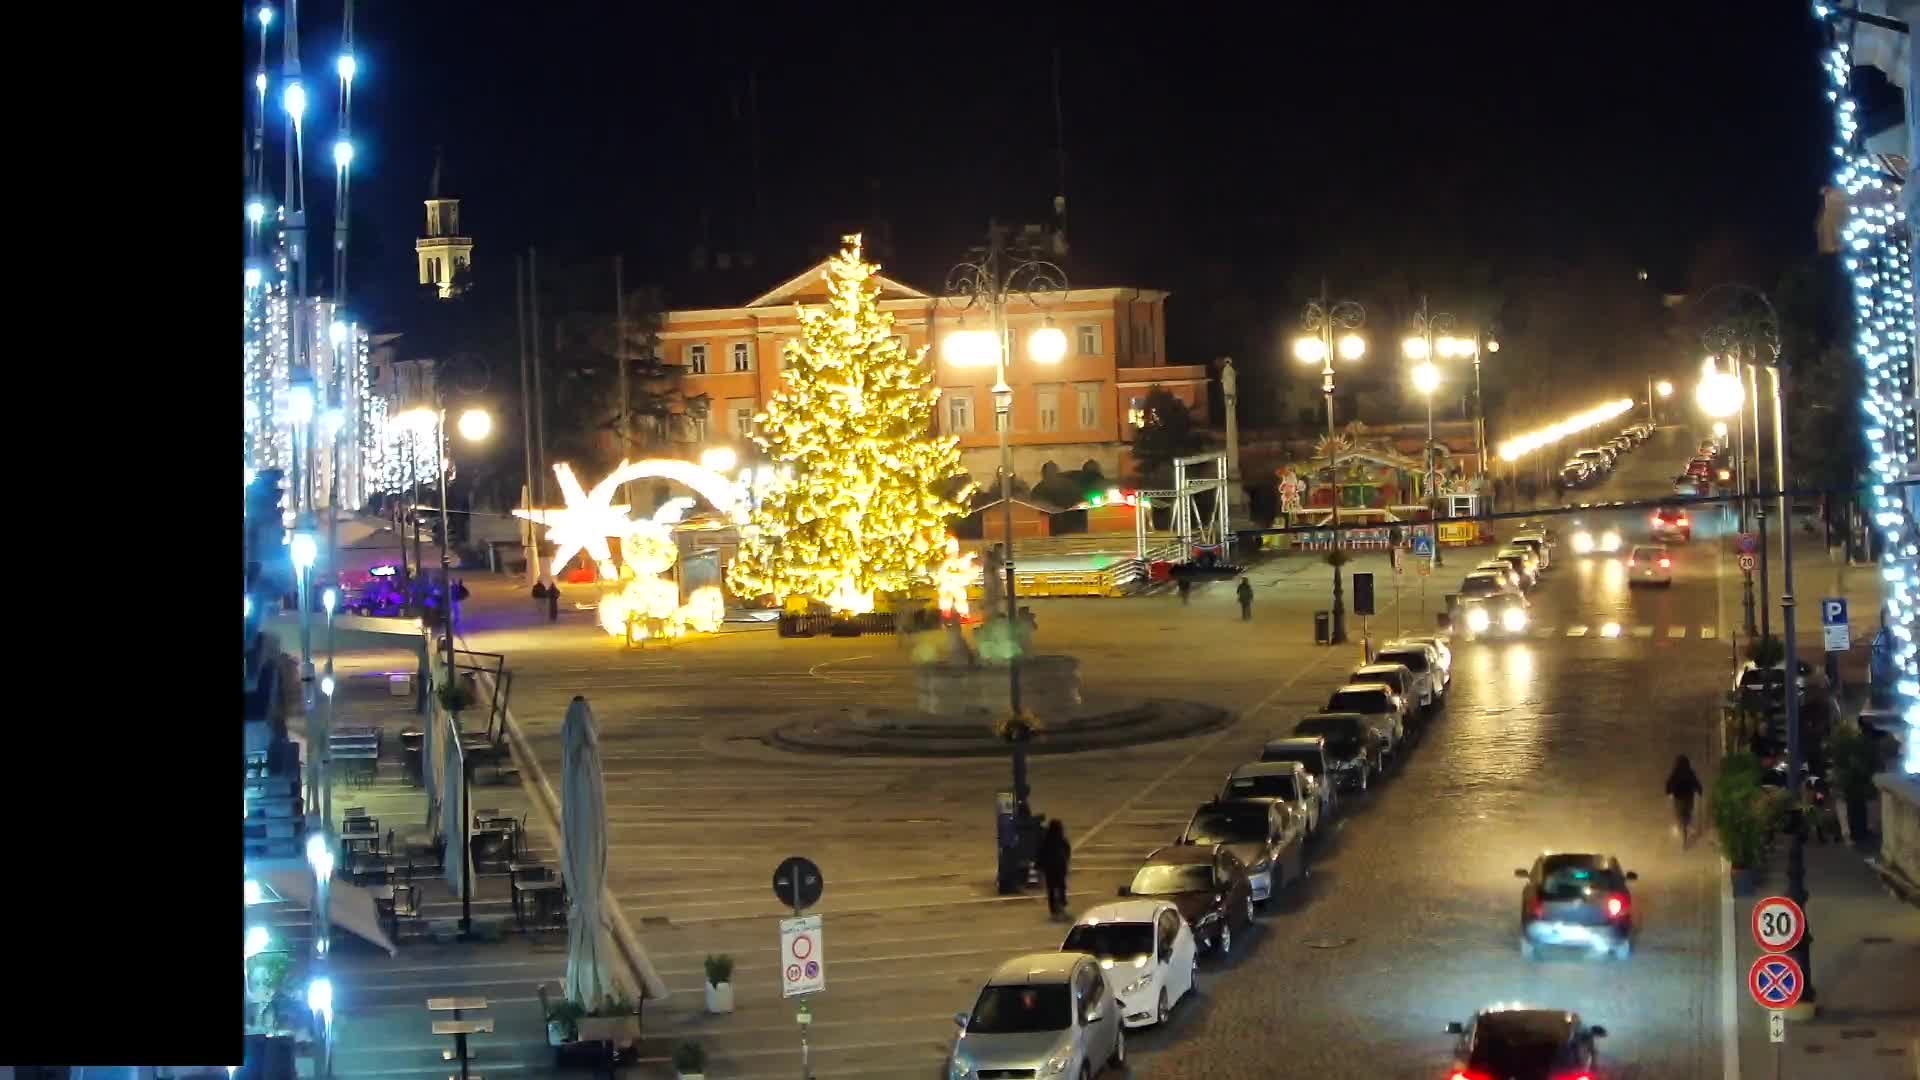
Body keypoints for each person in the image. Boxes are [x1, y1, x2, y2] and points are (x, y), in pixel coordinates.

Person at [1036, 819, 1071, 919]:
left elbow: (1040, 854)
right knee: (1060, 888)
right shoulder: (1060, 839)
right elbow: (1067, 851)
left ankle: (1055, 910)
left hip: (1051, 869)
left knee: (1052, 889)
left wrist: (1039, 867)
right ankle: (1061, 908)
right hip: (1058, 868)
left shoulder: (1046, 839)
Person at [1665, 755, 1704, 842]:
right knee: (1688, 812)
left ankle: (1681, 827)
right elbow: (1696, 782)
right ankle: (1687, 825)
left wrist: (1668, 792)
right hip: (1688, 797)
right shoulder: (1690, 772)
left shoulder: (1675, 773)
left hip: (1678, 798)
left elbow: (1669, 783)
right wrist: (1699, 791)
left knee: (1679, 814)